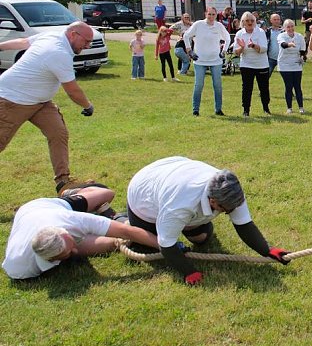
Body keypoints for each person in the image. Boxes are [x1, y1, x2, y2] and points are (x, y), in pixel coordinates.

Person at [126, 156, 291, 286]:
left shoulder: (231, 191)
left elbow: (244, 225)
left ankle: (181, 226)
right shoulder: (180, 205)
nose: (231, 212)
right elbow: (166, 244)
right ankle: (122, 221)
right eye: (226, 210)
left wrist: (268, 250)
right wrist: (188, 271)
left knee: (202, 237)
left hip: (173, 173)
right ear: (212, 200)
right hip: (143, 197)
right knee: (148, 245)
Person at [0, 22, 95, 194]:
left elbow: (23, 43)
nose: (88, 46)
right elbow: (73, 91)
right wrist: (88, 106)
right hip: (11, 100)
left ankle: (63, 182)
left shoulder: (51, 35)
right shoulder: (58, 52)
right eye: (86, 41)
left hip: (40, 102)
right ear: (73, 34)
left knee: (58, 133)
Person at [2, 185, 159, 280]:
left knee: (106, 193)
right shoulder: (19, 268)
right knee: (114, 243)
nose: (76, 250)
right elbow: (123, 235)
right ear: (48, 258)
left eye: (72, 244)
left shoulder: (71, 220)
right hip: (33, 218)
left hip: (44, 207)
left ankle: (72, 192)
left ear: (66, 232)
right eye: (68, 253)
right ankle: (107, 213)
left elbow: (126, 231)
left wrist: (165, 245)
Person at [184, 6, 231, 116]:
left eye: (213, 14)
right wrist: (189, 51)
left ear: (216, 15)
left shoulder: (219, 26)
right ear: (205, 14)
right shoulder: (198, 24)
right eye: (209, 14)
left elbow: (228, 38)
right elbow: (186, 36)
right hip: (199, 60)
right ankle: (195, 110)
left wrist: (223, 51)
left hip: (216, 60)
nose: (211, 17)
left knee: (217, 85)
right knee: (199, 85)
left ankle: (218, 109)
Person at [234, 12, 270, 117]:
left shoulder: (260, 32)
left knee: (264, 88)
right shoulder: (239, 34)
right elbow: (236, 52)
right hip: (246, 64)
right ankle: (246, 110)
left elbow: (264, 49)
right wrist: (241, 47)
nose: (250, 23)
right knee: (246, 88)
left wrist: (253, 45)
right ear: (243, 22)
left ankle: (266, 108)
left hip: (261, 64)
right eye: (247, 21)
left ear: (255, 22)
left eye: (252, 21)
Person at [276, 19, 306, 114]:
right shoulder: (281, 36)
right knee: (288, 86)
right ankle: (289, 108)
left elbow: (302, 50)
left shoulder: (299, 36)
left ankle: (301, 107)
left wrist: (302, 57)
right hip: (284, 64)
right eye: (288, 27)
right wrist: (290, 44)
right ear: (284, 28)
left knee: (297, 86)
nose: (290, 28)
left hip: (296, 64)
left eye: (292, 26)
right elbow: (283, 45)